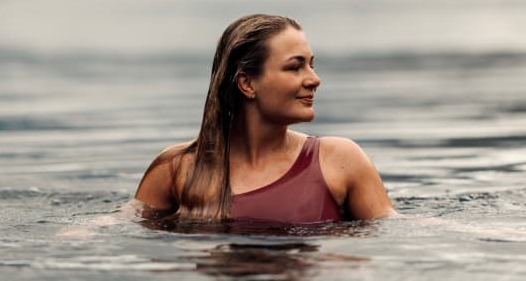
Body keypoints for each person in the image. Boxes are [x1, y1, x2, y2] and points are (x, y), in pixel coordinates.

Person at [134, 14, 396, 223]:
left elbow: (392, 228)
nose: (314, 79)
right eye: (295, 67)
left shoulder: (341, 159)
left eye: (311, 65)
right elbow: (123, 225)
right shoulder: (177, 168)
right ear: (247, 83)